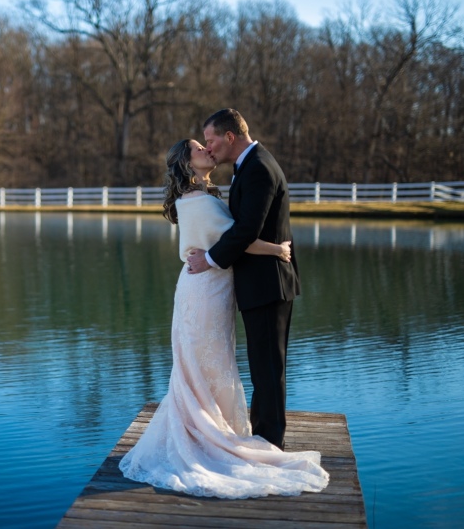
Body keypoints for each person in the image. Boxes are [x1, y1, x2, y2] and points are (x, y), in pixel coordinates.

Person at [118, 138, 328, 499]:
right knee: (205, 364)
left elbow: (232, 238)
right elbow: (240, 240)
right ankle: (204, 434)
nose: (207, 150)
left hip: (209, 288)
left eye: (207, 144)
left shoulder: (203, 195)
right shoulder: (196, 200)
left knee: (210, 364)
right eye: (200, 148)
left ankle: (208, 426)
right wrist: (278, 248)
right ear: (187, 163)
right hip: (204, 292)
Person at [187, 109, 298, 451]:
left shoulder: (259, 168)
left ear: (229, 137)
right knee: (263, 368)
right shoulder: (249, 167)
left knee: (268, 370)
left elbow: (246, 230)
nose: (209, 147)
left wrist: (208, 259)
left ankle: (270, 443)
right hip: (260, 284)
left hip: (268, 285)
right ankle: (264, 436)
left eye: (211, 139)